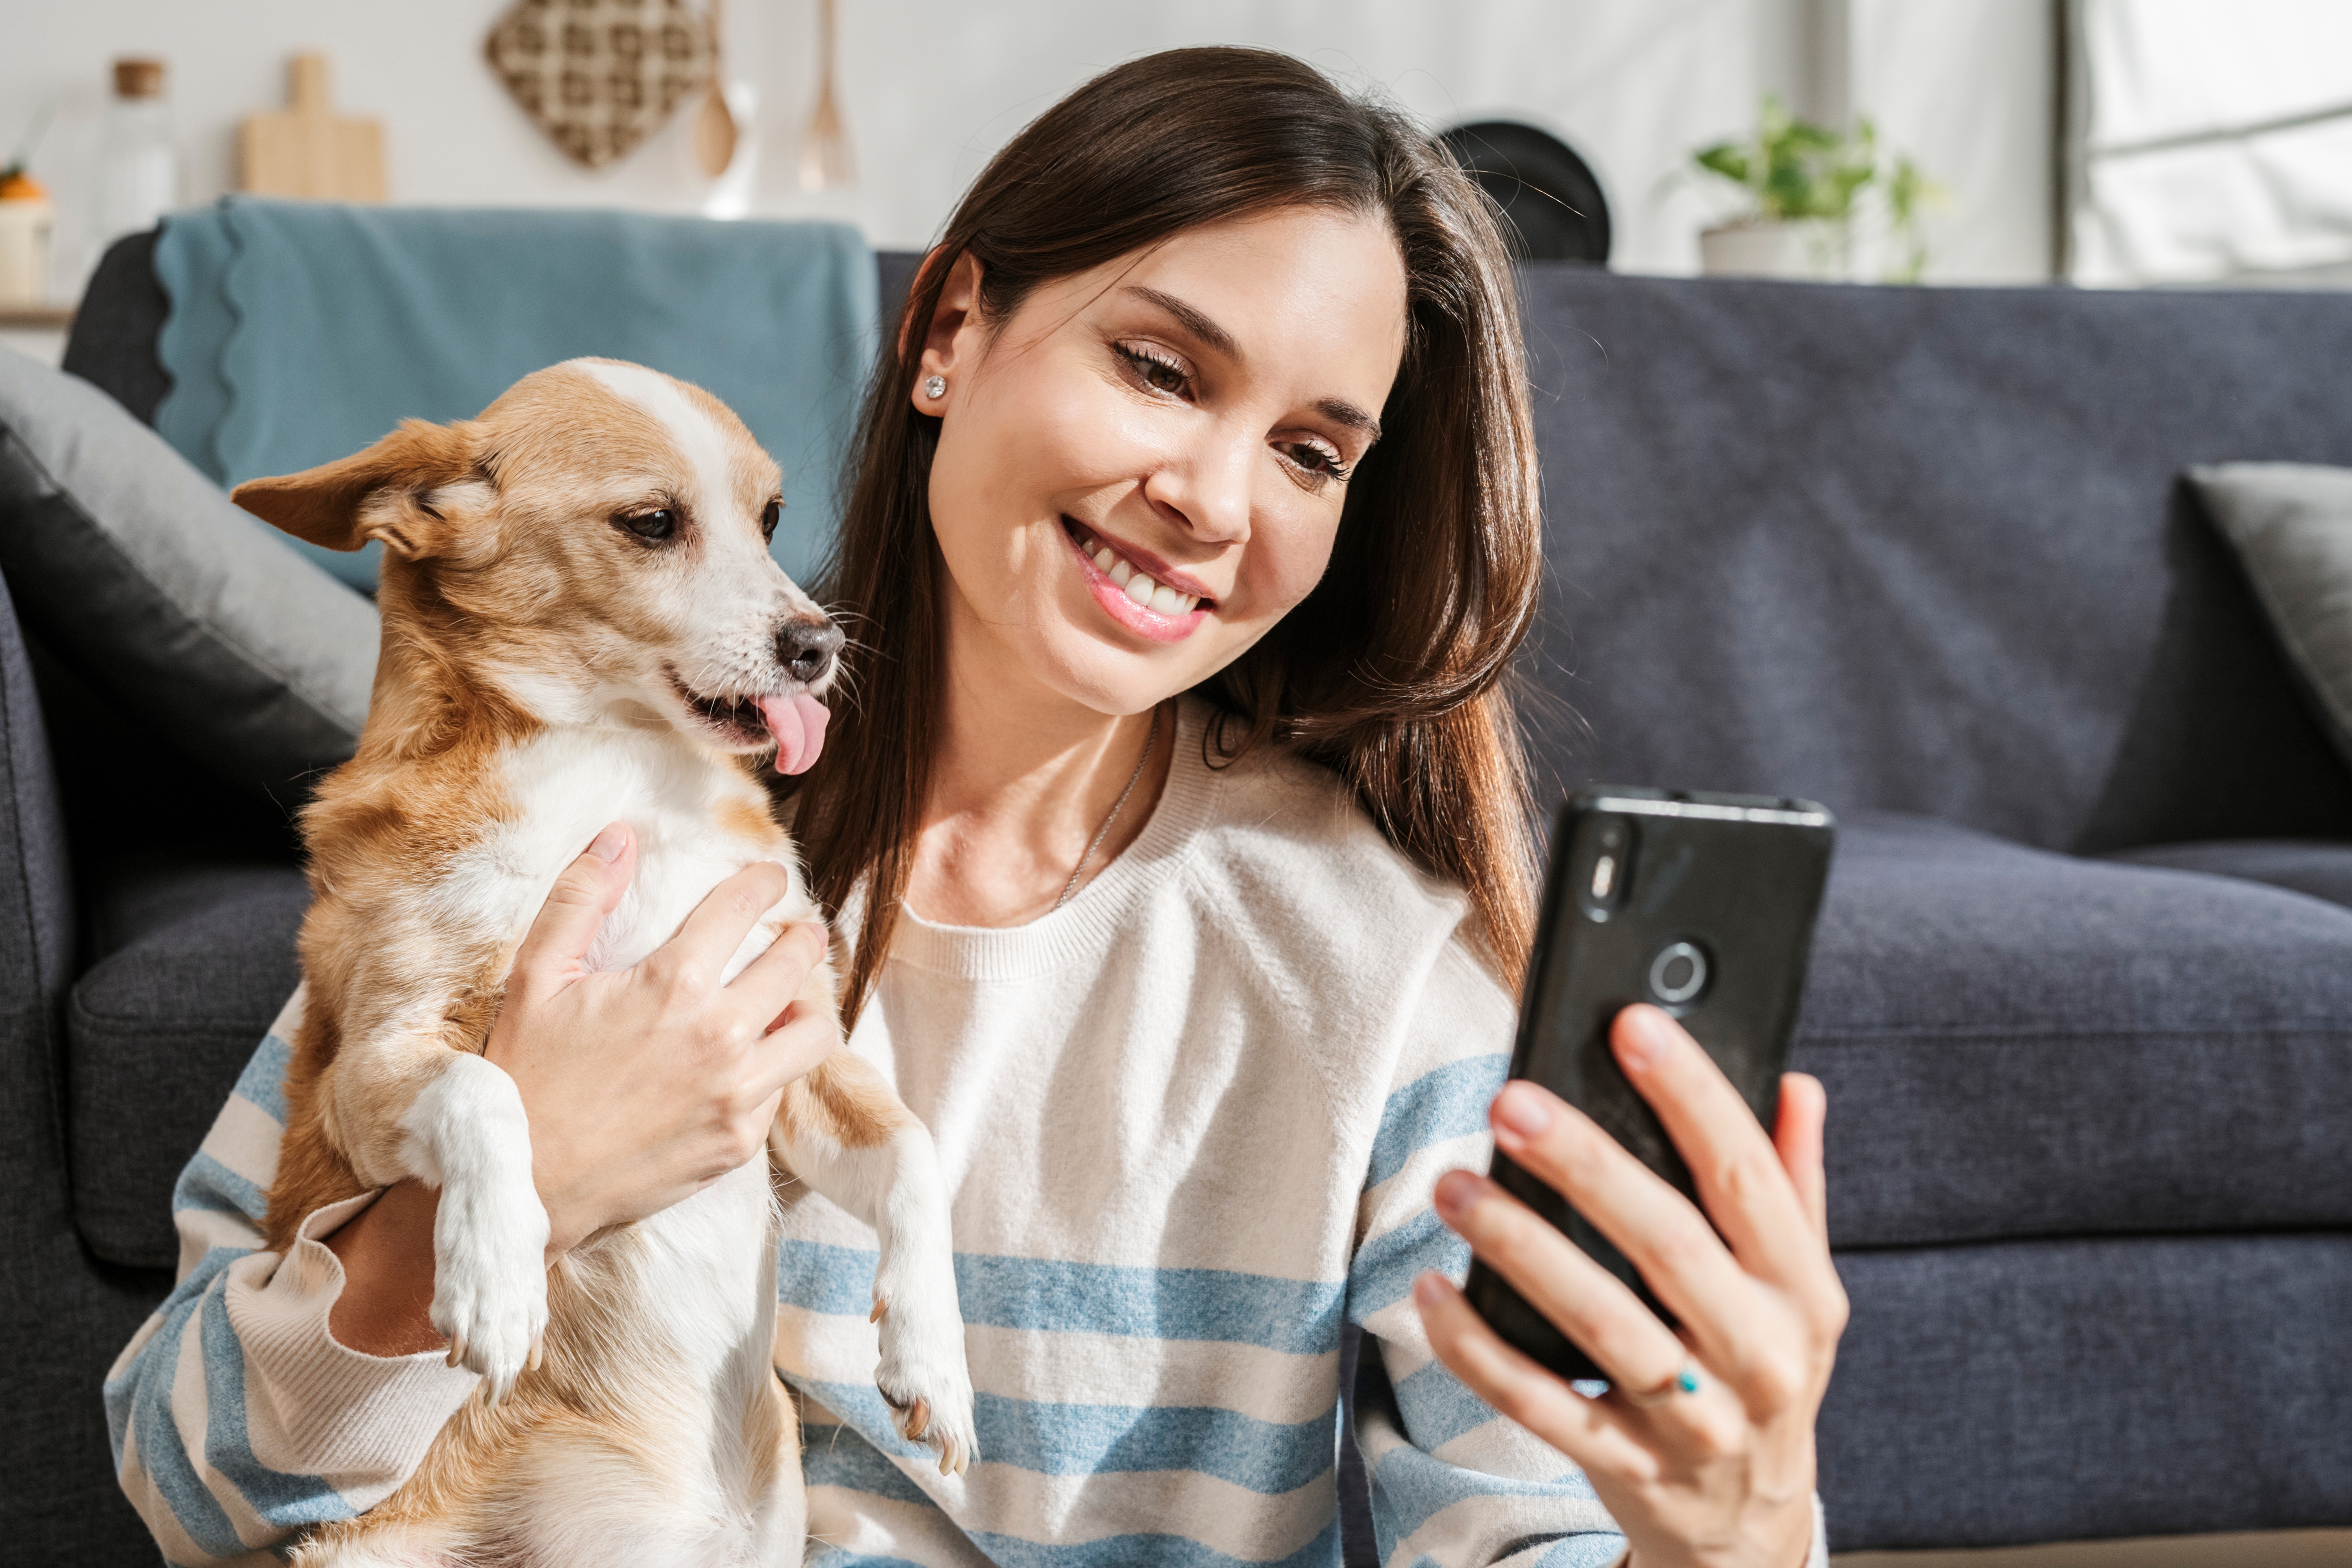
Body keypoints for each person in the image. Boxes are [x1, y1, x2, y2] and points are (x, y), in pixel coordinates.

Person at [107, 46, 1844, 1568]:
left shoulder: (1381, 970)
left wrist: (1735, 1531)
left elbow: (1532, 1535)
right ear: (948, 331)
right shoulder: (567, 840)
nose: (1214, 499)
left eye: (1311, 451)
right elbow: (180, 1469)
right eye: (1163, 370)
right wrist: (506, 1192)